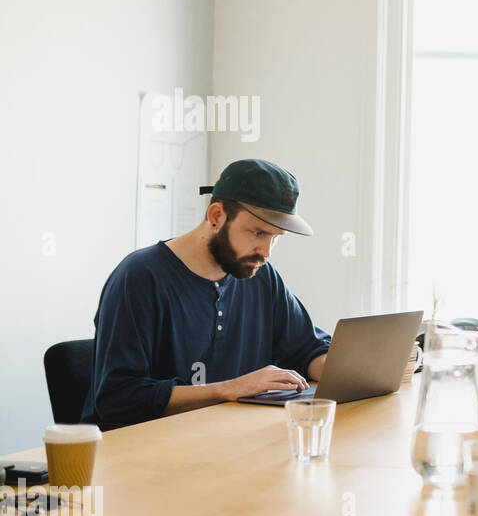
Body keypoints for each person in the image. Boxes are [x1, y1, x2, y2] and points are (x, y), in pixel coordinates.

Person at [82, 159, 331, 429]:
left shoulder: (260, 276)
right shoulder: (140, 277)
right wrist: (230, 389)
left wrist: (354, 374)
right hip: (143, 453)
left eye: (276, 237)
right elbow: (118, 400)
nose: (266, 251)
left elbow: (308, 350)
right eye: (258, 232)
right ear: (216, 216)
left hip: (223, 444)